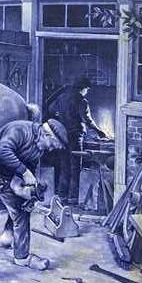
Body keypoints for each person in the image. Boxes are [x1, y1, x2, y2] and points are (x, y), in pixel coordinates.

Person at [0, 117, 70, 283]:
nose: (51, 150)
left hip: (7, 177)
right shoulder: (20, 130)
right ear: (45, 134)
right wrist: (25, 172)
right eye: (52, 145)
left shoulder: (39, 150)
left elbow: (19, 182)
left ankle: (22, 257)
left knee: (21, 212)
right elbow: (2, 151)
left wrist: (29, 194)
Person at [51, 76, 110, 207]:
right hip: (75, 137)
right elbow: (87, 119)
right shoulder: (82, 100)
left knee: (64, 166)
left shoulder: (61, 98)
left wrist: (61, 117)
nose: (87, 92)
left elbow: (51, 109)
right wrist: (99, 131)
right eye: (87, 89)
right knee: (75, 168)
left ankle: (62, 197)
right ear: (82, 88)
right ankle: (73, 199)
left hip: (62, 136)